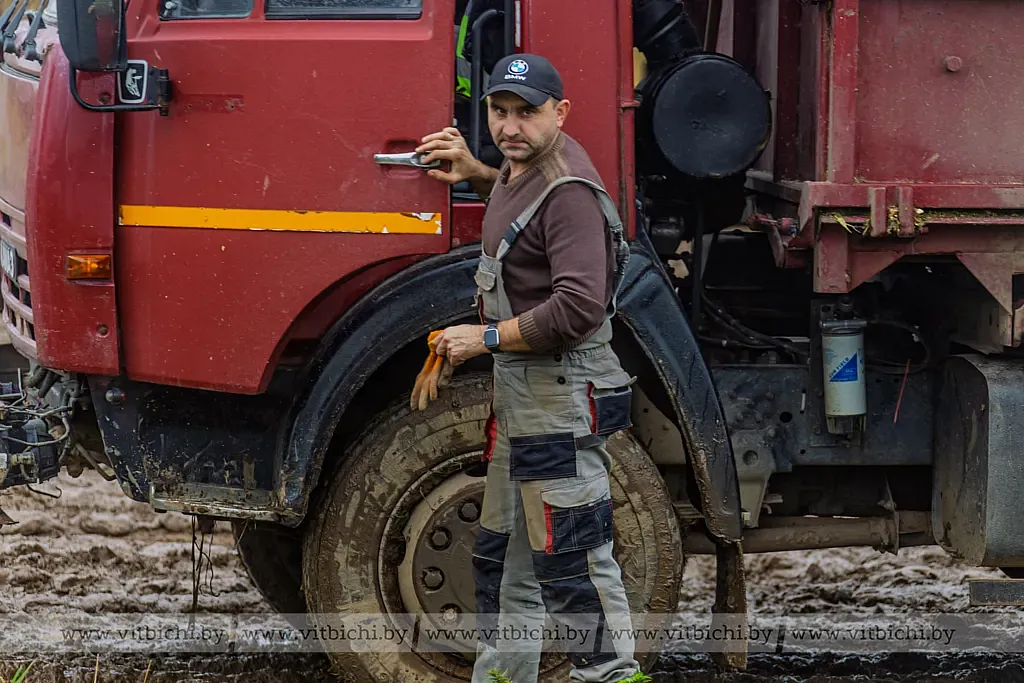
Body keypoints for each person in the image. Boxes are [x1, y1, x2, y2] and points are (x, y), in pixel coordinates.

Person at [415, 54, 649, 683]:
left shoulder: (569, 192)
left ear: (561, 112)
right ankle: (503, 674)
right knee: (503, 554)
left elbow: (578, 307)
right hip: (525, 396)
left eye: (528, 112)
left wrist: (484, 336)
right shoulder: (527, 170)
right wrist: (478, 173)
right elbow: (528, 218)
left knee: (573, 557)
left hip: (559, 396)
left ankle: (614, 676)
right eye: (500, 111)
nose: (511, 126)